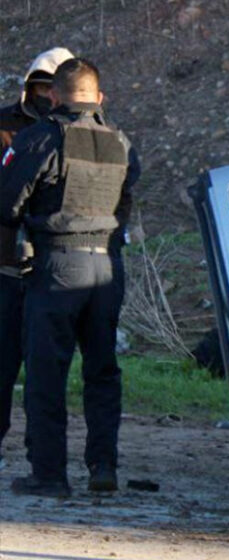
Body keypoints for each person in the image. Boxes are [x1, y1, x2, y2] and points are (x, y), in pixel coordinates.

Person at [0, 57, 139, 497]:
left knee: (47, 373)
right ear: (99, 98)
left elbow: (7, 203)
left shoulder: (43, 137)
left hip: (58, 266)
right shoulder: (121, 142)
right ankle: (103, 467)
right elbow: (125, 202)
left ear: (56, 97)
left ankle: (50, 475)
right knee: (102, 371)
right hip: (106, 267)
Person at [0, 47, 75, 471]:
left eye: (53, 88)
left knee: (45, 372)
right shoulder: (4, 125)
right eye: (41, 87)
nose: (47, 96)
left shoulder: (76, 133)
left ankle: (40, 455)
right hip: (5, 266)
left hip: (53, 270)